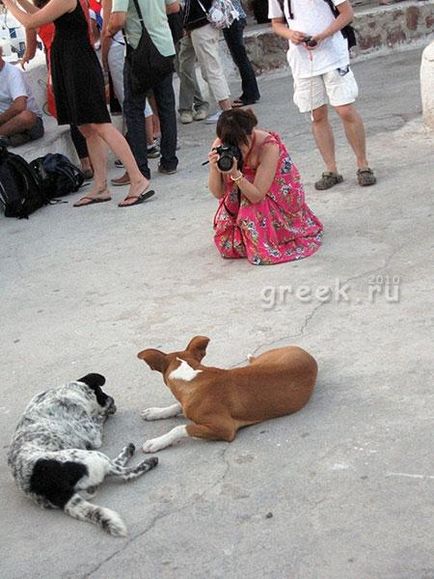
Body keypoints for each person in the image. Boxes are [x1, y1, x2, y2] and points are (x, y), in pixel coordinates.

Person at [4, 0, 153, 208]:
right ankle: (101, 186)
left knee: (101, 125)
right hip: (70, 63)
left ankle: (137, 178)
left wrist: (8, 3)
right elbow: (39, 15)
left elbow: (30, 21)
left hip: (78, 65)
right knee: (86, 128)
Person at [268, 0, 376, 189]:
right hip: (302, 60)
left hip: (333, 53)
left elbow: (347, 13)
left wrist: (323, 35)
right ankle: (331, 169)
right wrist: (290, 34)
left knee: (345, 109)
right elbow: (277, 23)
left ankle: (363, 164)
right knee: (316, 115)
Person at [208, 109, 323, 265]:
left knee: (251, 211)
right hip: (245, 188)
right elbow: (218, 193)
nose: (237, 149)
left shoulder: (267, 146)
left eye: (241, 143)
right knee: (227, 238)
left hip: (275, 191)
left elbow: (257, 195)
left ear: (251, 133)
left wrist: (235, 174)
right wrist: (215, 168)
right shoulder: (221, 145)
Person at [21, 2, 93, 179]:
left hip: (60, 64)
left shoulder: (47, 14)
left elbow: (30, 41)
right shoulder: (70, 6)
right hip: (80, 58)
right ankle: (94, 162)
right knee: (88, 118)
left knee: (75, 117)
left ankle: (86, 162)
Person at [107, 0, 179, 177]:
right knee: (166, 105)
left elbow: (118, 19)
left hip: (140, 50)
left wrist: (108, 30)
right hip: (164, 45)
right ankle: (169, 161)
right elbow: (174, 7)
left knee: (134, 109)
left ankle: (140, 168)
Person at [182, 0, 232, 124]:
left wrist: (183, 24)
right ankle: (226, 107)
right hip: (207, 24)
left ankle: (226, 109)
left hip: (201, 26)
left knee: (211, 70)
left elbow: (188, 6)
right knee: (212, 68)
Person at [0, 46, 44, 148]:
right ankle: (9, 137)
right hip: (6, 122)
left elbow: (19, 106)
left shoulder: (12, 73)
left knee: (26, 117)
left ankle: (7, 137)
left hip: (30, 123)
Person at [222, 0, 260, 107]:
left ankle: (250, 94)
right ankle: (251, 92)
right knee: (240, 57)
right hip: (235, 18)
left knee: (240, 57)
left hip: (232, 19)